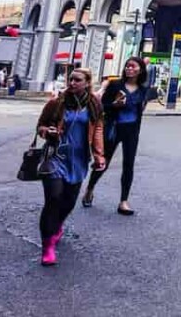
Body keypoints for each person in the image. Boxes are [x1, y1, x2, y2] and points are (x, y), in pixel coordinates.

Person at [35, 67, 106, 266]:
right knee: (53, 198)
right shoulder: (56, 104)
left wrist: (100, 155)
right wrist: (46, 131)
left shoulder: (94, 105)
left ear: (87, 83)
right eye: (71, 79)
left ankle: (57, 226)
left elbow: (98, 129)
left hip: (79, 159)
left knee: (68, 202)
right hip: (55, 157)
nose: (72, 83)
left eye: (77, 80)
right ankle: (47, 246)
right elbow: (40, 126)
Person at [82, 57, 151, 215]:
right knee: (103, 161)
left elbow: (141, 108)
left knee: (129, 165)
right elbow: (102, 107)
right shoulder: (115, 85)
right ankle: (90, 189)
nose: (129, 69)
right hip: (114, 128)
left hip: (131, 130)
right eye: (127, 66)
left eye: (133, 67)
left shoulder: (143, 89)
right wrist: (115, 105)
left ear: (140, 70)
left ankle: (123, 201)